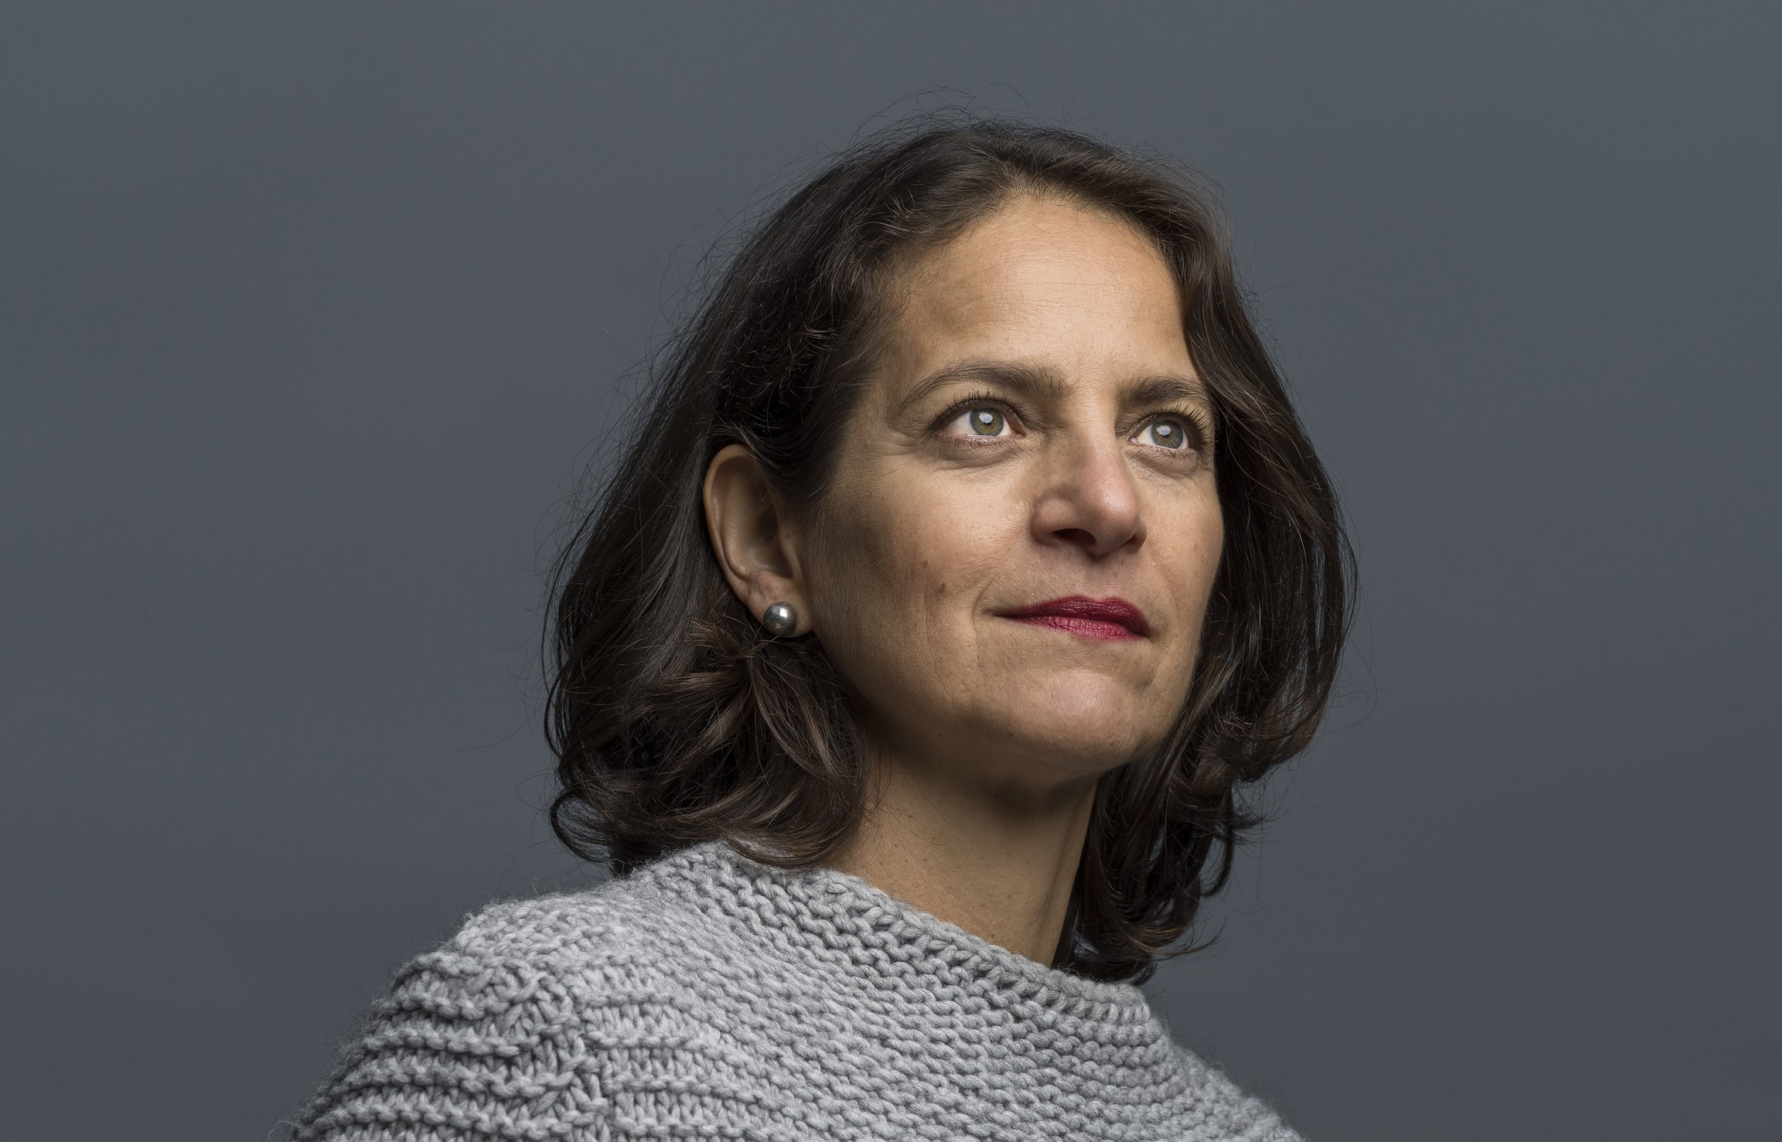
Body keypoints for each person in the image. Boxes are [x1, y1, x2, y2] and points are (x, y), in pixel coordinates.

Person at [282, 113, 1354, 1141]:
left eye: (1165, 433)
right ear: (766, 537)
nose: (1109, 504)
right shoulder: (557, 1043)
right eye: (984, 419)